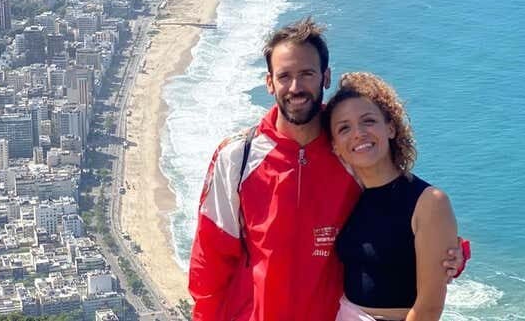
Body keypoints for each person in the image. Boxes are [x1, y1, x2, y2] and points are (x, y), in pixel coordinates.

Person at [188, 17, 465, 320]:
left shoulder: (348, 151)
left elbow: (398, 211)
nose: (296, 87)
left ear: (325, 77)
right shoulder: (237, 158)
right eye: (284, 76)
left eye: (307, 73)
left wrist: (448, 253)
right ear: (269, 83)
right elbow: (210, 260)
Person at [325, 72, 458, 321]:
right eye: (344, 128)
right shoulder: (347, 198)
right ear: (335, 146)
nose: (358, 133)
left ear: (391, 127)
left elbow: (429, 308)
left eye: (368, 121)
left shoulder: (430, 202)